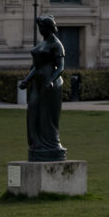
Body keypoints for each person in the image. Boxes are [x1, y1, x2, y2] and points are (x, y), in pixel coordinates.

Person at [18, 15, 67, 161]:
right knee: (33, 111)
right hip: (38, 83)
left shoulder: (56, 44)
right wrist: (26, 80)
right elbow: (36, 67)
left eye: (41, 27)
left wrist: (52, 80)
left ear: (47, 28)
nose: (39, 30)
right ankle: (36, 144)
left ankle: (52, 144)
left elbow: (61, 67)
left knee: (47, 116)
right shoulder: (44, 42)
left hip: (50, 84)